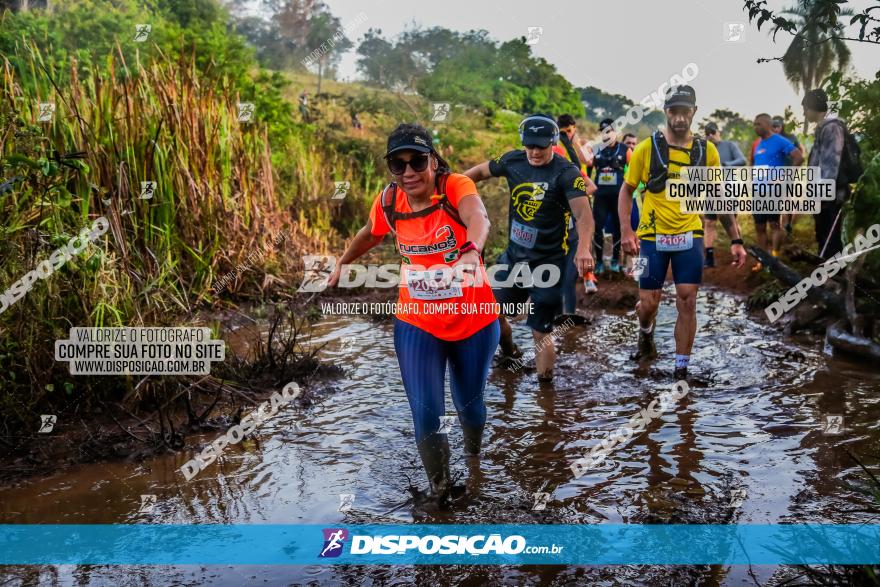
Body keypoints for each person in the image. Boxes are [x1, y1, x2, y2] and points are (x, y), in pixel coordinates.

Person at [327, 123, 500, 502]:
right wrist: (342, 262)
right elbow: (370, 232)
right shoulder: (390, 200)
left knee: (470, 408)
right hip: (417, 322)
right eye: (397, 164)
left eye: (417, 162)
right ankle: (441, 492)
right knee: (426, 412)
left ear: (434, 161)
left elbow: (479, 217)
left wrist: (471, 250)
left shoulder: (455, 186)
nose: (408, 173)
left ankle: (473, 459)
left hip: (475, 319)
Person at [618, 85, 747, 381]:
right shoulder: (646, 149)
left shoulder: (706, 151)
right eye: (673, 111)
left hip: (690, 234)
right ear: (666, 112)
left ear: (694, 112)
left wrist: (737, 239)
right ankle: (646, 334)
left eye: (684, 112)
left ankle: (681, 370)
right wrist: (627, 231)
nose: (679, 118)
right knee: (649, 302)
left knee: (687, 299)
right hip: (650, 235)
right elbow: (626, 191)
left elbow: (718, 196)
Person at [465, 114, 595, 383]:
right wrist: (452, 190)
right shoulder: (512, 161)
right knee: (489, 311)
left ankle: (546, 396)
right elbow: (477, 173)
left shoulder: (566, 172)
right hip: (513, 259)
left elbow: (584, 215)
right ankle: (510, 352)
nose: (534, 152)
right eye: (529, 146)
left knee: (540, 330)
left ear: (553, 143)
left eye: (541, 146)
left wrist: (583, 248)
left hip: (549, 265)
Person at [553, 114, 599, 307]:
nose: (566, 134)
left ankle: (588, 275)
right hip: (559, 217)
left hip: (579, 196)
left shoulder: (579, 144)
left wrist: (575, 141)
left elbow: (587, 162)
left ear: (574, 128)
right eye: (563, 131)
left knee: (584, 237)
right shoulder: (554, 147)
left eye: (569, 130)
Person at [751, 113, 804, 271]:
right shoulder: (758, 144)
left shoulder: (780, 140)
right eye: (754, 124)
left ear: (767, 124)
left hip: (773, 191)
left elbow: (799, 157)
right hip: (758, 191)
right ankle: (762, 259)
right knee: (759, 226)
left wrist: (783, 177)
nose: (755, 127)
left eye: (758, 124)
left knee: (774, 224)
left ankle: (774, 257)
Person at [803, 89, 849, 259]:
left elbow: (831, 164)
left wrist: (822, 195)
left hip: (831, 195)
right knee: (823, 237)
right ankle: (826, 278)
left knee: (831, 240)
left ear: (813, 107)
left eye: (806, 108)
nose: (805, 113)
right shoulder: (824, 127)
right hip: (823, 194)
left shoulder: (832, 128)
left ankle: (834, 279)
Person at [703, 122, 747, 267]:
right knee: (709, 222)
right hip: (711, 189)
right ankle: (709, 257)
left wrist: (726, 165)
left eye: (712, 132)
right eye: (707, 133)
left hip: (729, 187)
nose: (710, 136)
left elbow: (742, 161)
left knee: (732, 221)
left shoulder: (729, 145)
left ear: (718, 132)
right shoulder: (704, 149)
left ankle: (738, 250)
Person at [592, 118, 632, 274]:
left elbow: (634, 170)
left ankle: (615, 260)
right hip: (600, 196)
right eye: (603, 132)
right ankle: (600, 262)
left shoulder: (624, 149)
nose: (606, 135)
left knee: (618, 227)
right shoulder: (596, 149)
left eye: (609, 131)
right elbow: (588, 170)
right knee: (597, 228)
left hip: (618, 197)